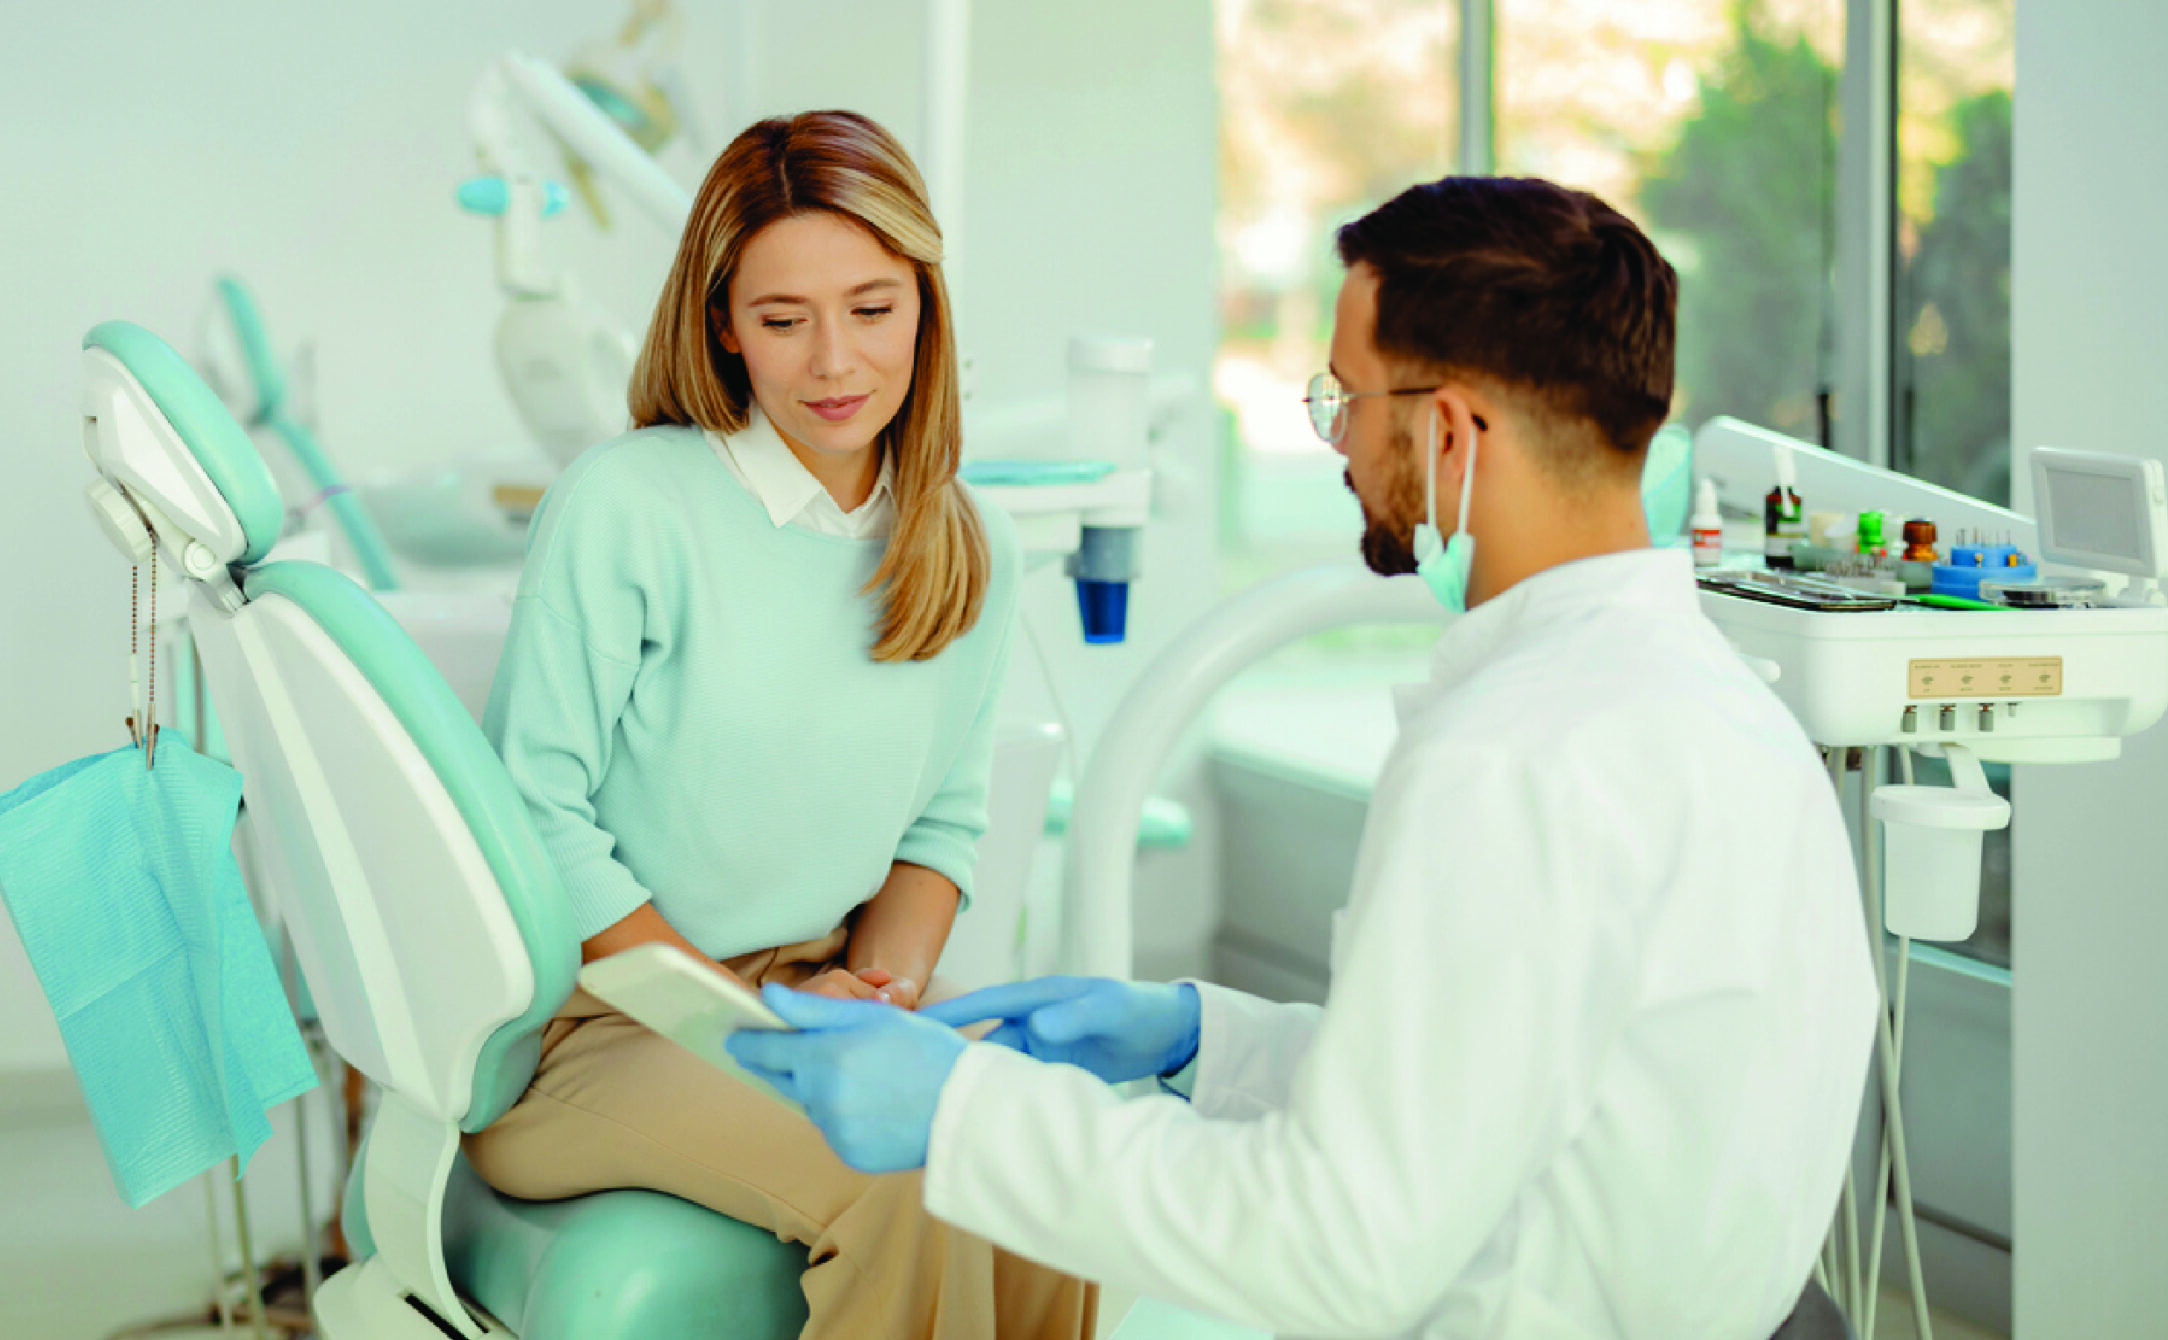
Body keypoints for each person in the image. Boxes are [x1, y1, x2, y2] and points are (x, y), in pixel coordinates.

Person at [728, 176, 1878, 1340]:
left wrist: (960, 1112)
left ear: (1448, 430)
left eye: (1348, 397)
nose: (1336, 438)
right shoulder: (1722, 707)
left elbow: (1334, 1248)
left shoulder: (1509, 759)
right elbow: (1505, 1089)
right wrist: (1194, 1033)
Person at [464, 109, 1095, 1340]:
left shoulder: (967, 538)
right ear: (722, 327)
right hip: (596, 1026)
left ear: (924, 302)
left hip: (810, 989)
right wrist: (751, 1026)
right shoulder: (632, 504)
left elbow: (940, 822)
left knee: (1040, 1136)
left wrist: (887, 994)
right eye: (782, 318)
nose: (833, 363)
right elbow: (535, 815)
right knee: (905, 1168)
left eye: (871, 307)